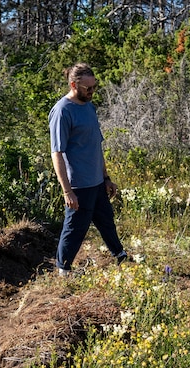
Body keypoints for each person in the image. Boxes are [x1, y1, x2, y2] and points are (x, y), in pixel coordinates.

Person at [49, 62, 128, 276]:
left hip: (96, 181)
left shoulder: (89, 107)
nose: (92, 91)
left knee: (106, 221)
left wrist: (106, 177)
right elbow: (57, 153)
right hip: (78, 184)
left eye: (94, 87)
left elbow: (96, 144)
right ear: (74, 85)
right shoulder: (62, 111)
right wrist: (67, 191)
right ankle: (63, 270)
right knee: (75, 228)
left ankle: (120, 255)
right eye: (88, 88)